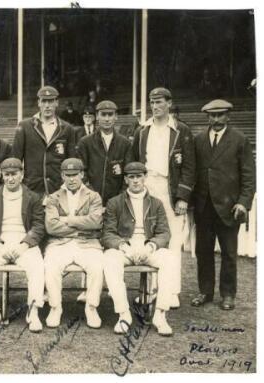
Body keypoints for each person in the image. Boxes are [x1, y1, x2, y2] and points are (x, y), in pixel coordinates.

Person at [131, 87, 195, 308]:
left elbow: (189, 166)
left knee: (174, 239)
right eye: (152, 102)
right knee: (149, 237)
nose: (155, 106)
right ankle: (150, 290)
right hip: (148, 187)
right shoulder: (142, 131)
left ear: (169, 103)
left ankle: (172, 291)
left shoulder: (181, 130)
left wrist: (183, 197)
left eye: (159, 102)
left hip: (171, 189)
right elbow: (135, 162)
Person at [191, 99, 255, 310]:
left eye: (220, 115)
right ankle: (205, 292)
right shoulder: (199, 139)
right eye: (212, 115)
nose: (216, 119)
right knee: (203, 251)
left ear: (228, 116)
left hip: (229, 207)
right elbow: (193, 172)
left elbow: (248, 175)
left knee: (229, 252)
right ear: (207, 117)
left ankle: (228, 294)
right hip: (204, 206)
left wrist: (243, 203)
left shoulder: (240, 139)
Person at [102, 162, 174, 336]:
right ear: (126, 179)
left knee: (170, 259)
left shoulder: (156, 203)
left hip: (148, 247)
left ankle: (160, 314)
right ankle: (123, 314)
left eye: (139, 176)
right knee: (110, 259)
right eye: (131, 177)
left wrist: (150, 246)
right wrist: (124, 247)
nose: (135, 181)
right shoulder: (114, 203)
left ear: (145, 177)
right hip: (125, 247)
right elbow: (108, 234)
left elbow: (164, 232)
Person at [0, 158, 45, 332]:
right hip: (0, 243)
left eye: (14, 174)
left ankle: (33, 311)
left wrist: (24, 245)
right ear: (2, 176)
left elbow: (38, 226)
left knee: (37, 265)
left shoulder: (33, 197)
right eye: (7, 175)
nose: (10, 179)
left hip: (24, 243)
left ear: (22, 175)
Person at [44, 158, 105, 328]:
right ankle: (55, 307)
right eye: (67, 175)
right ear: (62, 175)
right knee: (51, 265)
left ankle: (91, 307)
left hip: (87, 243)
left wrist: (66, 220)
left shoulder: (93, 196)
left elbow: (95, 223)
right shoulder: (53, 197)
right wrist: (80, 226)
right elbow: (51, 226)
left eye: (75, 175)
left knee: (97, 266)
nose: (71, 179)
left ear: (82, 174)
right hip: (60, 243)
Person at [12, 85, 76, 198]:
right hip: (32, 189)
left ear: (56, 102)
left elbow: (71, 161)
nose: (47, 105)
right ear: (38, 103)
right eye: (44, 101)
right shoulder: (25, 126)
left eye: (50, 101)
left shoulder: (67, 128)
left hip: (59, 189)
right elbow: (16, 160)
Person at [77, 100, 133, 206]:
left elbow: (128, 173)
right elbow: (81, 172)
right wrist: (91, 195)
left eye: (110, 114)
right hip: (89, 201)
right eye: (103, 115)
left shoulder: (125, 143)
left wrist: (119, 199)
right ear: (97, 116)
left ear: (116, 116)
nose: (107, 119)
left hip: (117, 203)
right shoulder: (85, 142)